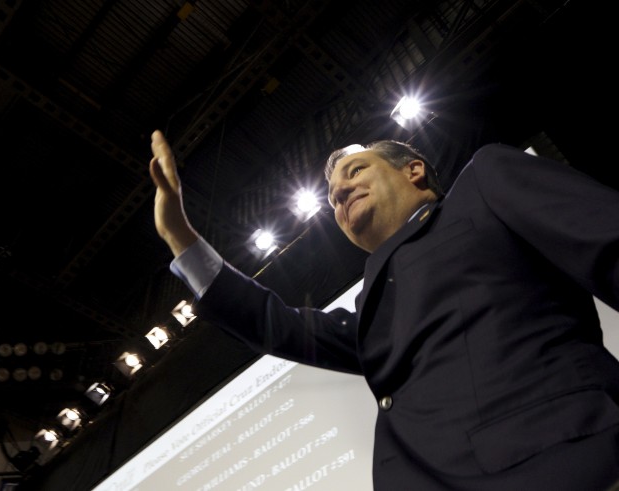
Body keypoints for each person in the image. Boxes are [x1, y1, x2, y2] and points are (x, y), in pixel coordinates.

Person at [149, 129, 619, 490]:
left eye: (355, 171)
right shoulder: (373, 311)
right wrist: (180, 238)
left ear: (413, 171)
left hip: (567, 466)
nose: (339, 192)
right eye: (332, 196)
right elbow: (276, 324)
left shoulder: (482, 184)